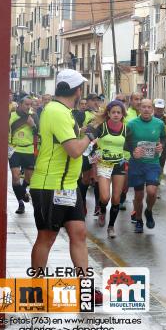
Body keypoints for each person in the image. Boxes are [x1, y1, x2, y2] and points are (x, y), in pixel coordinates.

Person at [29, 69, 102, 304]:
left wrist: (91, 129)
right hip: (50, 184)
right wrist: (90, 136)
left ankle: (84, 288)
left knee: (79, 234)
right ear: (77, 90)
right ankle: (37, 288)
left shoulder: (65, 112)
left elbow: (73, 144)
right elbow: (74, 149)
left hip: (67, 185)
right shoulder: (57, 112)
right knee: (47, 237)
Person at [124, 98, 166, 233]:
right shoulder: (131, 124)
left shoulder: (159, 123)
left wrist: (161, 146)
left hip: (152, 163)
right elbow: (125, 143)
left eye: (149, 107)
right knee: (138, 195)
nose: (146, 109)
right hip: (136, 164)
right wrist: (133, 151)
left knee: (152, 192)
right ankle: (138, 219)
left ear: (153, 109)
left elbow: (164, 138)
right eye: (144, 107)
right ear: (140, 109)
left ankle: (148, 211)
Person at [88, 100, 128, 238]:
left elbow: (130, 146)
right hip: (104, 164)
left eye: (119, 112)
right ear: (108, 114)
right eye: (113, 112)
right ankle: (102, 209)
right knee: (105, 197)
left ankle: (111, 227)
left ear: (123, 114)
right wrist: (94, 155)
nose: (116, 115)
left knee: (116, 198)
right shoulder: (102, 127)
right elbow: (91, 144)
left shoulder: (125, 129)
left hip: (119, 164)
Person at [9, 95, 37, 214]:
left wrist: (33, 125)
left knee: (29, 179)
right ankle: (21, 202)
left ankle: (23, 191)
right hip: (14, 149)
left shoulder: (34, 116)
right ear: (20, 104)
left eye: (30, 104)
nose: (28, 107)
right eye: (26, 104)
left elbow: (39, 132)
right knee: (15, 177)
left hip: (28, 150)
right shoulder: (11, 115)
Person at [78, 93, 101, 215]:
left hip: (98, 149)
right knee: (86, 179)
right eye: (92, 100)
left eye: (97, 100)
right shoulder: (82, 114)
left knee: (97, 178)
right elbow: (74, 128)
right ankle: (82, 203)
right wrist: (80, 130)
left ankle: (98, 205)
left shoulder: (102, 114)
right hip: (85, 148)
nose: (95, 102)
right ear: (87, 102)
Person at [152, 98, 166, 197]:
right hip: (150, 144)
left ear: (164, 108)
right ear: (154, 107)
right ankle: (150, 180)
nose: (159, 110)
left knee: (160, 165)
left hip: (163, 145)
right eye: (157, 108)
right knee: (151, 164)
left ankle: (158, 181)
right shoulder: (150, 117)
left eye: (161, 108)